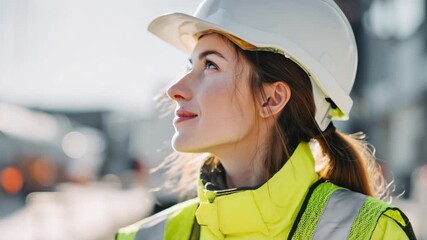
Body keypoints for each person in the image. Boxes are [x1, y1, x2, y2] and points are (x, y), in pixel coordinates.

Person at [116, 0, 416, 239]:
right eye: (190, 65)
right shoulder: (151, 235)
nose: (175, 90)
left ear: (271, 99)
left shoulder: (371, 233)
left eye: (210, 65)